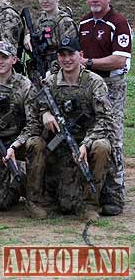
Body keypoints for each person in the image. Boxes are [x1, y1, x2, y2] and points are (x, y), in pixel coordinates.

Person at [36, 36, 113, 222]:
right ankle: (45, 195)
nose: (66, 59)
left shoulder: (94, 82)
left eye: (71, 54)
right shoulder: (51, 82)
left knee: (102, 146)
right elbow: (37, 104)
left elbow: (105, 118)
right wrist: (45, 113)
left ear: (81, 55)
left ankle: (90, 205)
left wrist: (86, 144)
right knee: (65, 205)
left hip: (87, 141)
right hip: (60, 145)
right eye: (62, 55)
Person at [0, 41, 47, 218]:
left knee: (37, 144)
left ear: (13, 59)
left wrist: (15, 145)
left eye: (4, 57)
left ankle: (33, 200)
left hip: (18, 141)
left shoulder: (24, 85)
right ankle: (13, 186)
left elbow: (33, 123)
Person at [78, 0, 131, 216]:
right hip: (88, 85)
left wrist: (88, 62)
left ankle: (114, 195)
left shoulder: (118, 23)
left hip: (112, 84)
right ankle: (89, 191)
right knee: (89, 133)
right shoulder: (84, 23)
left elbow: (120, 59)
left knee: (113, 137)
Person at [23, 0, 78, 75]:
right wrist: (27, 38)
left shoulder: (65, 22)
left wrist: (53, 71)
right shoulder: (39, 20)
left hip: (60, 72)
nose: (45, 1)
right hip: (39, 68)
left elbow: (70, 53)